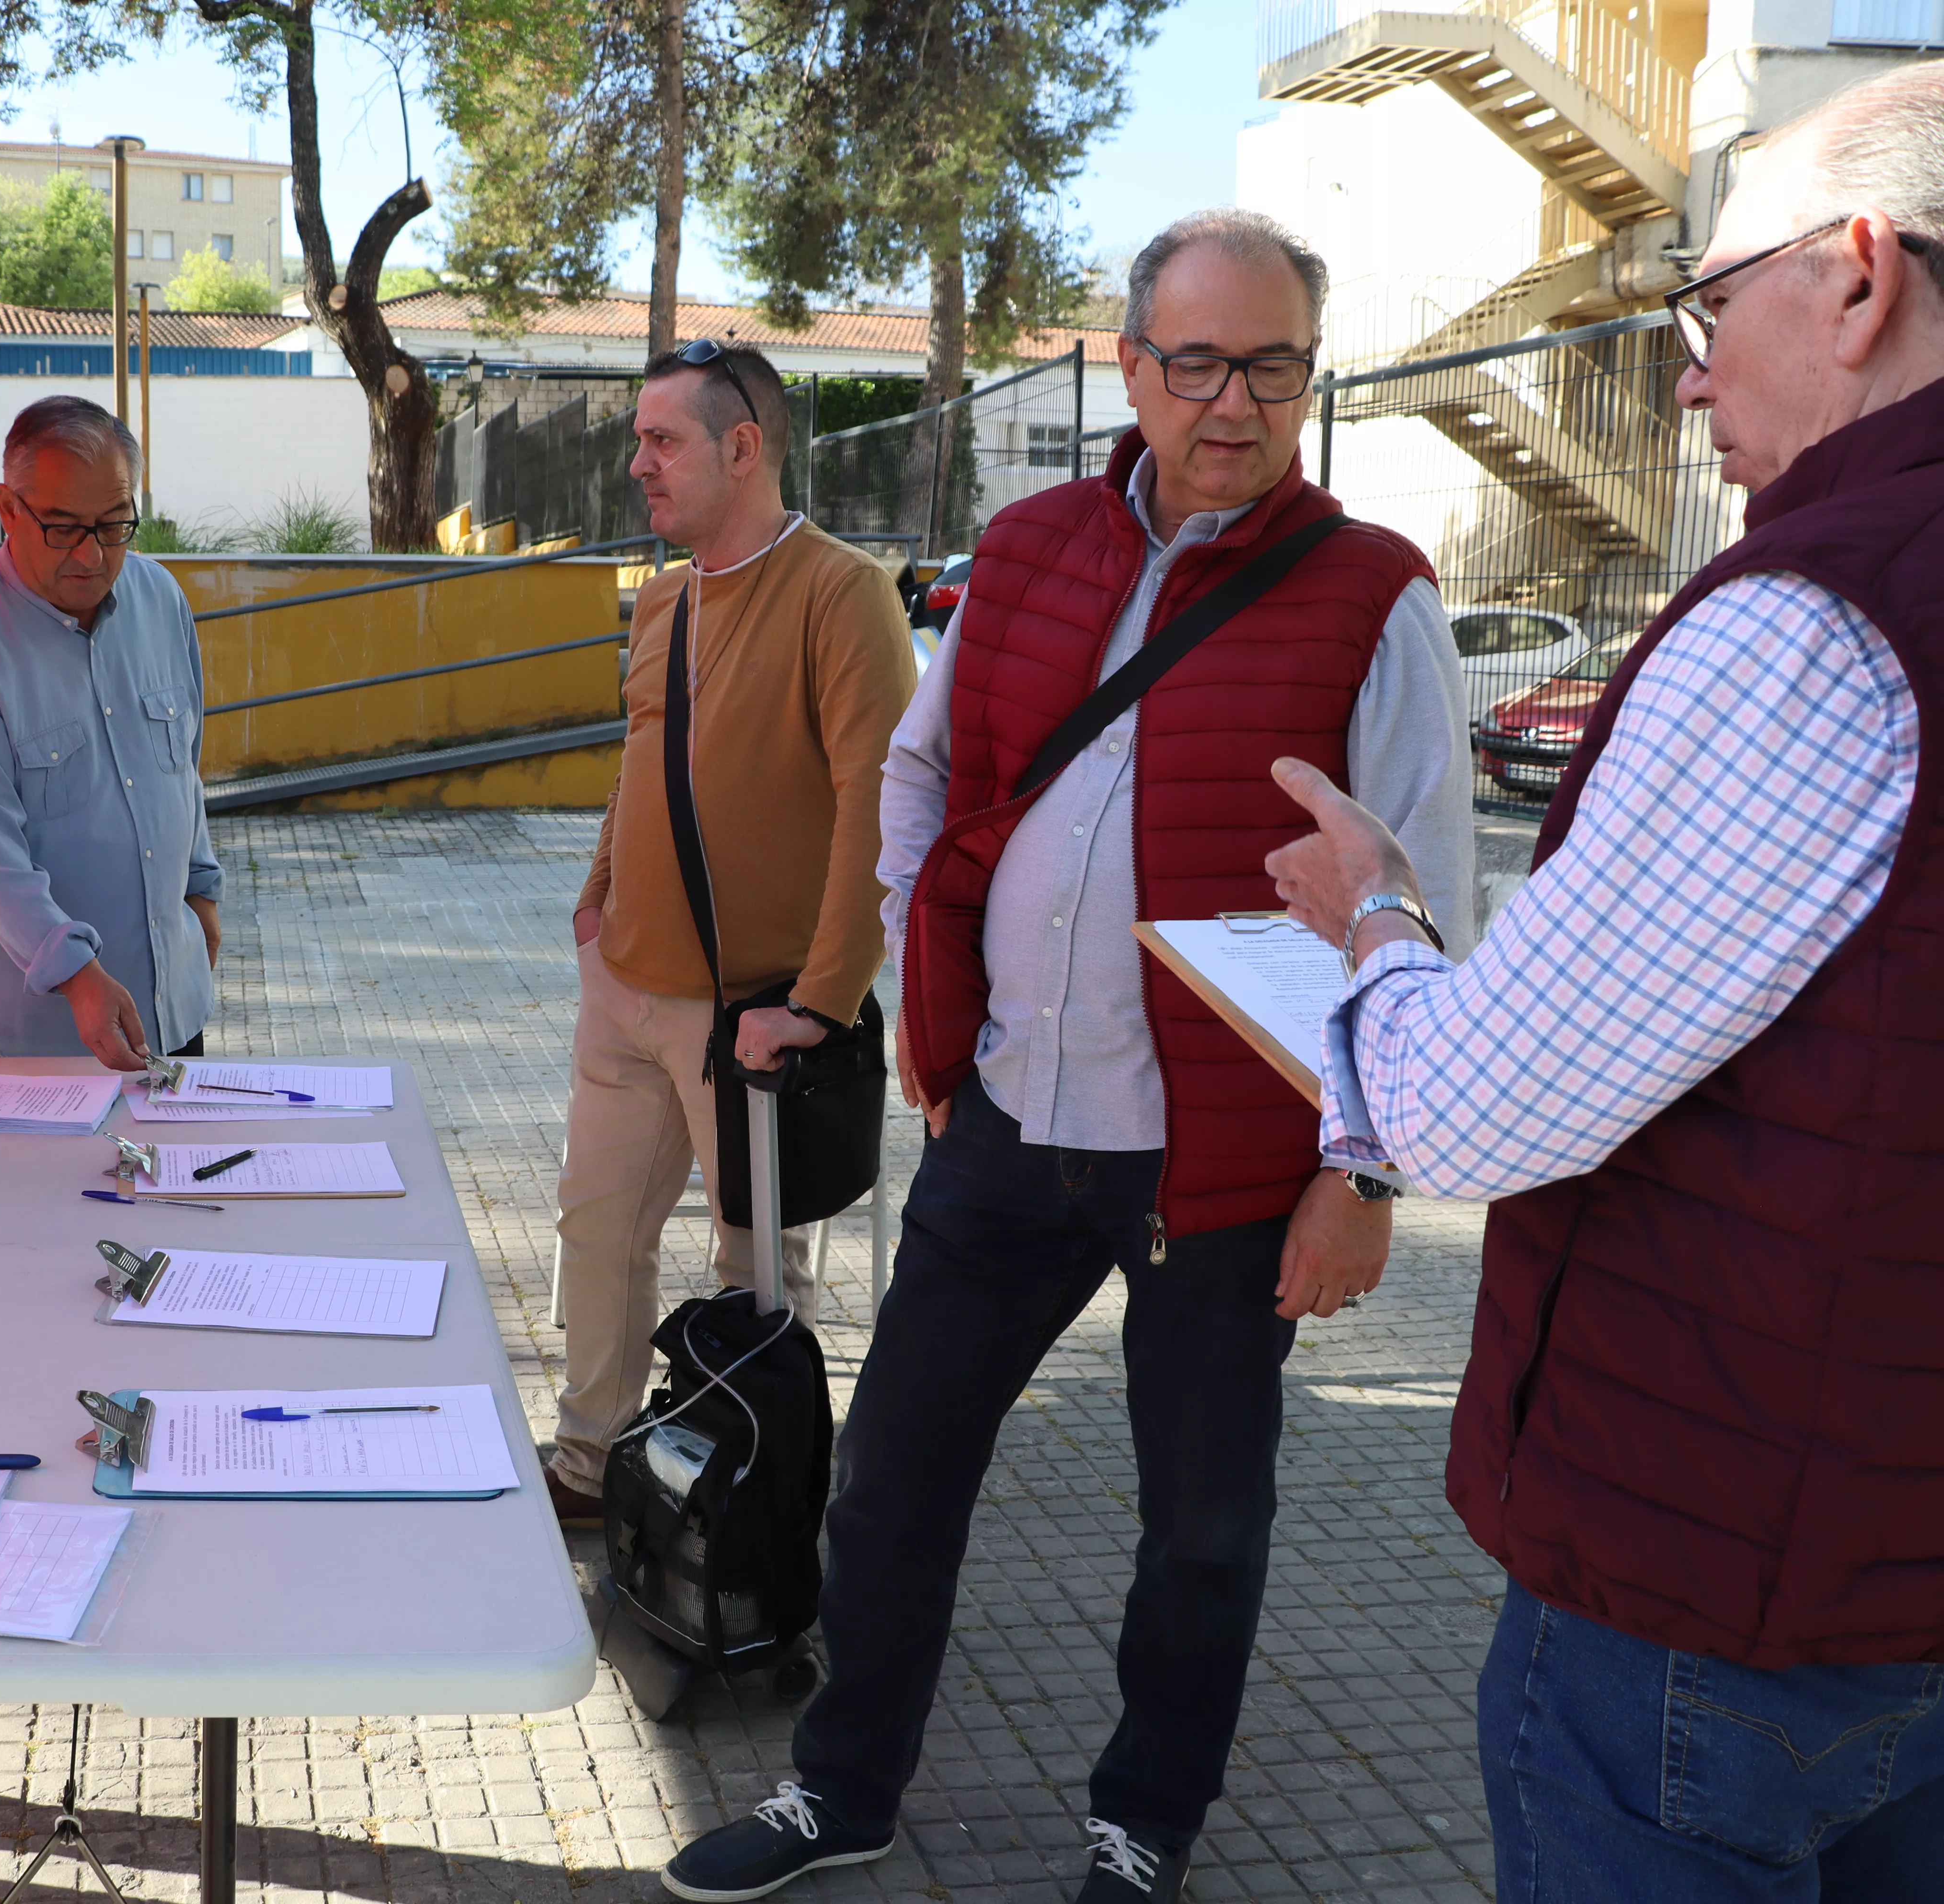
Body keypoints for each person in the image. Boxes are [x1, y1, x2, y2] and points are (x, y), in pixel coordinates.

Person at [662, 210, 1475, 1904]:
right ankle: (845, 1789)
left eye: (1273, 366)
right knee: (892, 1479)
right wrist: (936, 1002)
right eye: (1199, 362)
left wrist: (1365, 1176)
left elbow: (1431, 910)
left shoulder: (1374, 595)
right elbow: (920, 768)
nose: (1234, 403)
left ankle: (1141, 1826)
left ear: (1308, 379)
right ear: (1132, 367)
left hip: (1230, 1166)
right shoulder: (1026, 548)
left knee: (1199, 1533)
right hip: (1010, 1127)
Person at [1266, 64, 1944, 1900]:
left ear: (1862, 278)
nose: (1692, 369)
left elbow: (1469, 1109)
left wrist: (1376, 922)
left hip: (1721, 1597)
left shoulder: (1813, 618)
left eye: (1710, 302)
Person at [545, 342, 915, 1526]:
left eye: (663, 441)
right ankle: (592, 1459)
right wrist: (601, 891)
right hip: (625, 990)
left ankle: (760, 1490)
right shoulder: (664, 595)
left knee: (756, 1274)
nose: (637, 465)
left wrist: (819, 999)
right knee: (597, 1232)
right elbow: (637, 762)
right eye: (639, 439)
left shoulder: (841, 589)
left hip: (751, 1013)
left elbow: (880, 802)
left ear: (742, 447)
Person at [0, 397, 219, 1069]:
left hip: (169, 1004)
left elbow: (182, 767)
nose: (92, 554)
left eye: (113, 525)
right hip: (21, 1032)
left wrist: (201, 890)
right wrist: (74, 974)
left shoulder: (161, 601)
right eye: (64, 527)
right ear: (8, 510)